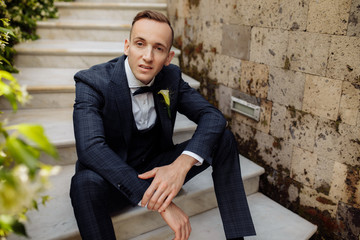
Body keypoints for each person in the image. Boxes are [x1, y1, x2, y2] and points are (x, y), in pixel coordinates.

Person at [70, 10, 256, 240]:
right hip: (112, 176)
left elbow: (213, 117)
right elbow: (90, 149)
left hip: (158, 171)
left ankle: (237, 236)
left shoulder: (170, 77)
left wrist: (180, 166)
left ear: (169, 57)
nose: (148, 56)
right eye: (140, 44)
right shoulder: (92, 81)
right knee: (83, 183)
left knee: (224, 139)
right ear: (127, 46)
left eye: (158, 48)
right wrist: (163, 205)